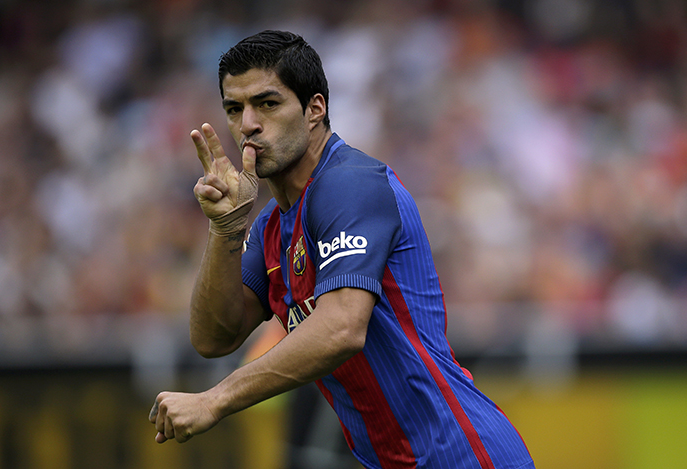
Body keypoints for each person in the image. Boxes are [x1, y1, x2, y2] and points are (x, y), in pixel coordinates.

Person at [149, 30, 535, 469]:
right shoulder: (273, 225)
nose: (248, 124)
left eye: (268, 104)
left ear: (315, 109)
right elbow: (214, 337)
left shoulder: (348, 183)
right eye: (235, 109)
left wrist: (214, 400)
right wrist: (224, 230)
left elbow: (341, 329)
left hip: (460, 456)